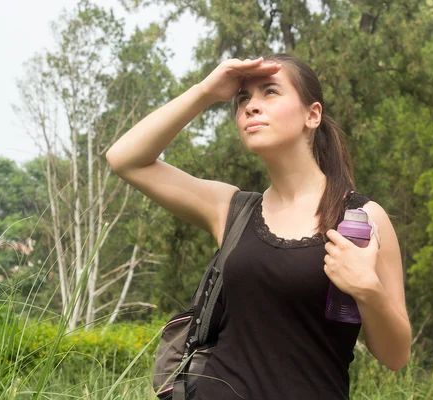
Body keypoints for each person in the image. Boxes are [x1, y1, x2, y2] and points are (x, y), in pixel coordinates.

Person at [106, 54, 411, 400]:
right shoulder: (232, 210)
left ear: (312, 115)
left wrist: (368, 289)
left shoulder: (363, 219)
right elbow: (125, 159)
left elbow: (396, 356)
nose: (251, 106)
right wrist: (206, 92)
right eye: (243, 99)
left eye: (270, 92)